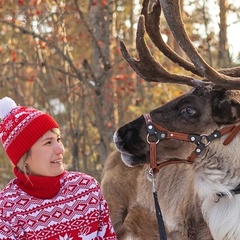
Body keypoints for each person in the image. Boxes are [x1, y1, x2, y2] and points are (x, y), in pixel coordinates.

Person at [0, 97, 117, 240]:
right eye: (48, 142)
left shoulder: (86, 189)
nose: (60, 149)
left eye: (58, 140)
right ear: (24, 156)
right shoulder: (7, 209)